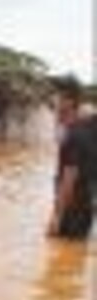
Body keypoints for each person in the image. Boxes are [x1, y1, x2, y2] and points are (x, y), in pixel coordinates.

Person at [48, 78, 96, 240]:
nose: (54, 108)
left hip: (71, 212)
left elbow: (69, 178)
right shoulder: (89, 131)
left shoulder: (73, 136)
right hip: (87, 209)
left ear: (68, 102)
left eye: (56, 102)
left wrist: (56, 217)